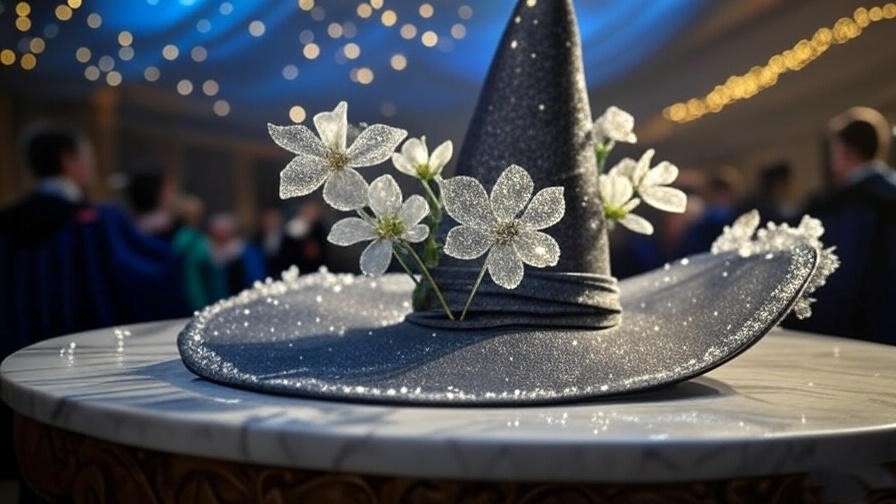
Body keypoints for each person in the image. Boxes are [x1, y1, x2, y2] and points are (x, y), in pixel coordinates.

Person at [786, 107, 896, 344]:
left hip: (856, 329)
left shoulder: (847, 204)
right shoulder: (887, 194)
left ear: (846, 151)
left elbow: (841, 277)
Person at [127, 169, 225, 311]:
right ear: (162, 194)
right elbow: (198, 290)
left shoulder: (122, 233)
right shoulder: (188, 241)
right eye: (171, 190)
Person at [208, 213, 266, 296]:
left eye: (224, 230)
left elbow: (256, 277)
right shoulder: (209, 250)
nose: (220, 234)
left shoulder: (245, 250)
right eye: (218, 230)